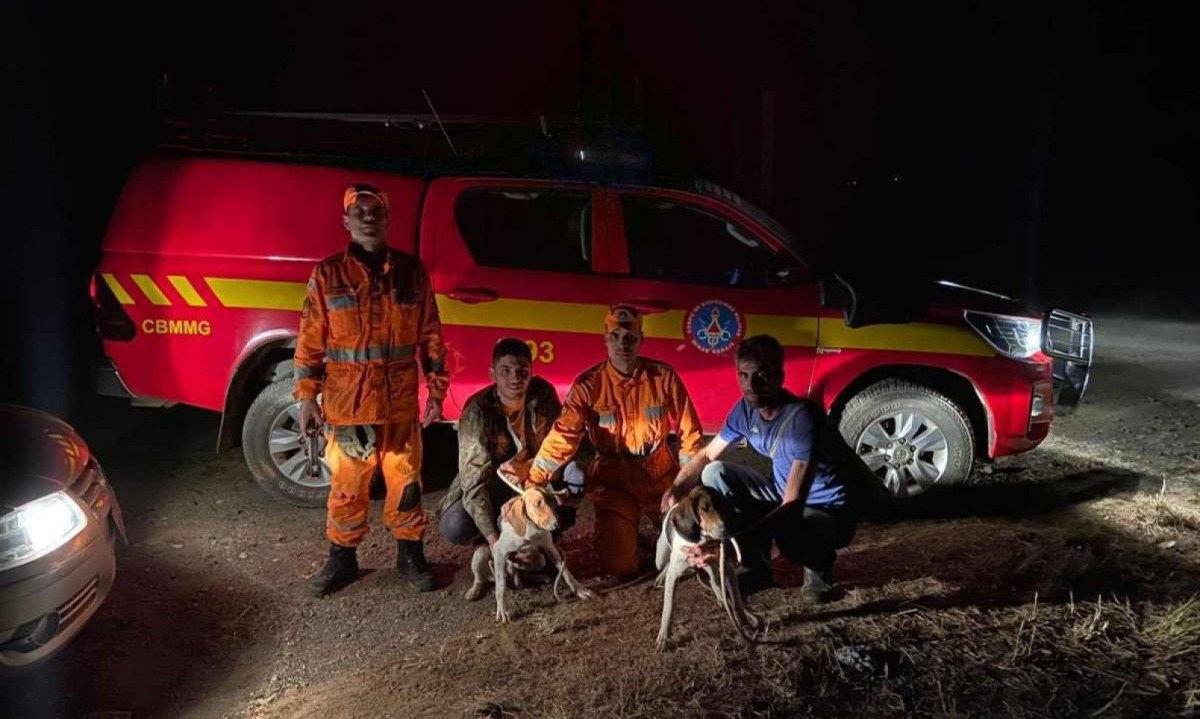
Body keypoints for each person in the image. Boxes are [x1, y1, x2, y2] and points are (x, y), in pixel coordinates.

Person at [295, 183, 448, 597]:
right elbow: (310, 341)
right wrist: (307, 397)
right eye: (358, 211)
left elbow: (431, 335)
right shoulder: (327, 275)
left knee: (407, 482)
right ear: (346, 221)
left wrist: (436, 390)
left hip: (399, 404)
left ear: (387, 219)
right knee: (347, 487)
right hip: (349, 405)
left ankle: (410, 554)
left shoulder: (412, 272)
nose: (367, 217)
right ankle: (342, 560)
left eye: (374, 211)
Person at [511, 305, 704, 579]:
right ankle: (629, 538)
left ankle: (656, 537)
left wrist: (686, 487)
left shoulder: (663, 378)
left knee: (686, 559)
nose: (622, 344)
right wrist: (535, 480)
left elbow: (690, 436)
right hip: (613, 484)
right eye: (615, 336)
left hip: (660, 478)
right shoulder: (589, 385)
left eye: (630, 338)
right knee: (621, 568)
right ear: (605, 339)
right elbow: (564, 436)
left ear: (641, 340)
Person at [663, 335, 855, 602]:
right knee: (715, 473)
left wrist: (727, 545)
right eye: (743, 376)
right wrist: (676, 487)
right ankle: (757, 568)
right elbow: (708, 454)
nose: (750, 386)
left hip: (824, 508)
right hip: (780, 490)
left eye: (761, 376)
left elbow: (792, 502)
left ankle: (819, 568)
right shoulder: (745, 409)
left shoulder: (802, 418)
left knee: (790, 534)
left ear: (779, 376)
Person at [437, 337, 580, 547]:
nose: (515, 378)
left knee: (576, 474)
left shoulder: (542, 394)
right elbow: (474, 484)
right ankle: (498, 539)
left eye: (522, 371)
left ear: (531, 371)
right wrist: (495, 542)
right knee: (455, 525)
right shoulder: (477, 411)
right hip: (494, 484)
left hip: (535, 479)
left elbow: (559, 449)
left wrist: (529, 469)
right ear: (492, 374)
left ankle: (545, 537)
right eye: (505, 371)